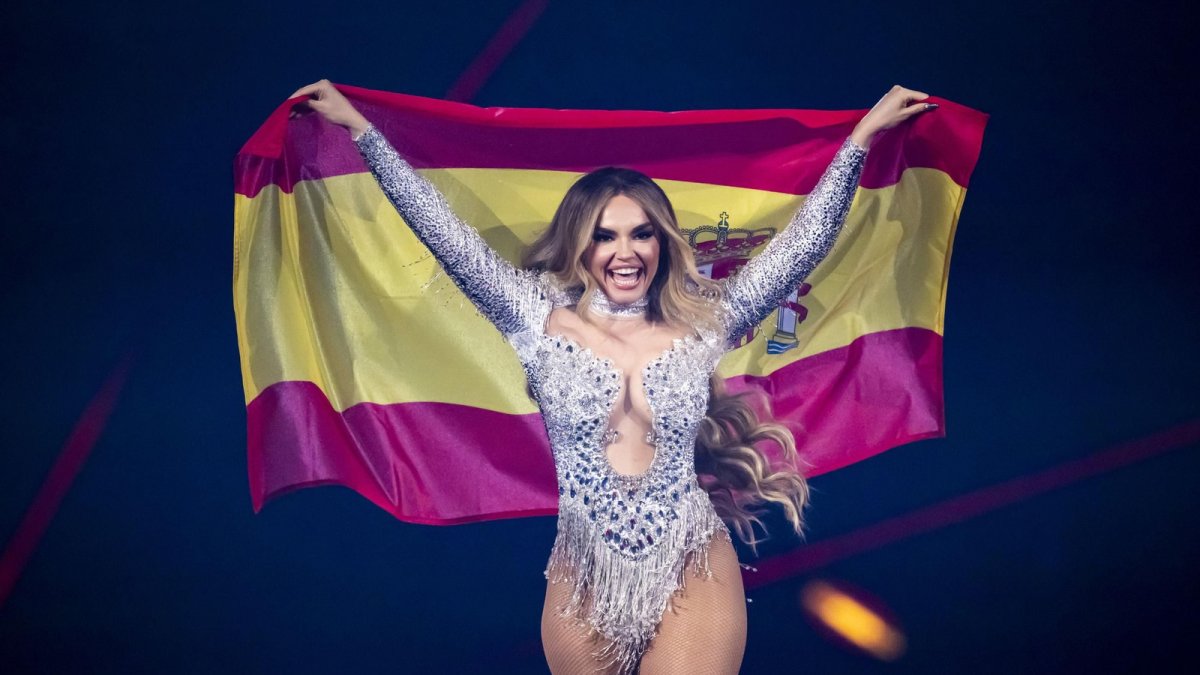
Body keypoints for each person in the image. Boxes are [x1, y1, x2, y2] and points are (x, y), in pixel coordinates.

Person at [289, 80, 934, 674]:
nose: (625, 253)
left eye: (641, 235)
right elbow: (445, 235)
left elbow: (801, 247)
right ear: (581, 244)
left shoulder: (705, 321)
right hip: (583, 568)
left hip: (690, 560)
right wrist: (361, 131)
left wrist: (860, 140)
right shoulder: (534, 317)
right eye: (605, 237)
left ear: (662, 242)